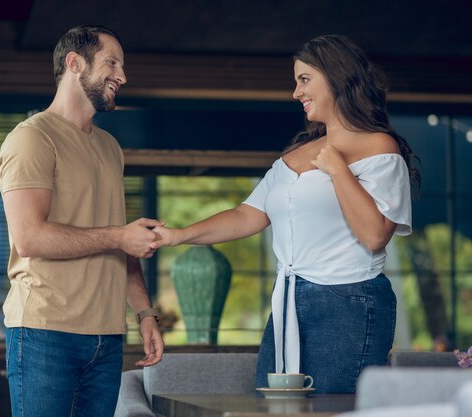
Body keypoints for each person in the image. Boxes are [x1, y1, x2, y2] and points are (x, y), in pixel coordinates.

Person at [152, 34, 418, 394]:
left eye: (304, 80)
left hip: (350, 301)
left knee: (333, 409)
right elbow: (247, 215)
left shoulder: (379, 147)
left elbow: (374, 235)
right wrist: (179, 235)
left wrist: (338, 170)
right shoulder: (295, 155)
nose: (296, 92)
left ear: (337, 77)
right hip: (292, 299)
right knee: (275, 404)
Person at [0, 25, 164, 417]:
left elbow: (119, 240)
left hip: (106, 337)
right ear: (75, 63)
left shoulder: (109, 147)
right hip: (44, 333)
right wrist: (121, 236)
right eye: (112, 63)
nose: (122, 76)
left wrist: (145, 314)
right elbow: (30, 239)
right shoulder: (32, 138)